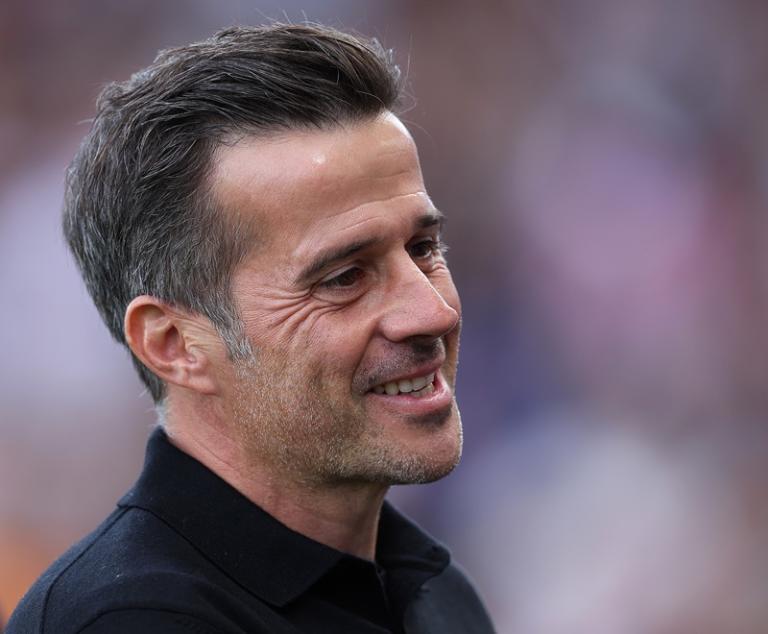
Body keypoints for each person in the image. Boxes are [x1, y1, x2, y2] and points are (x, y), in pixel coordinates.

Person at [7, 23, 493, 634]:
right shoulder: (133, 622)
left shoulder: (433, 592)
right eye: (343, 277)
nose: (434, 312)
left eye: (424, 247)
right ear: (174, 344)